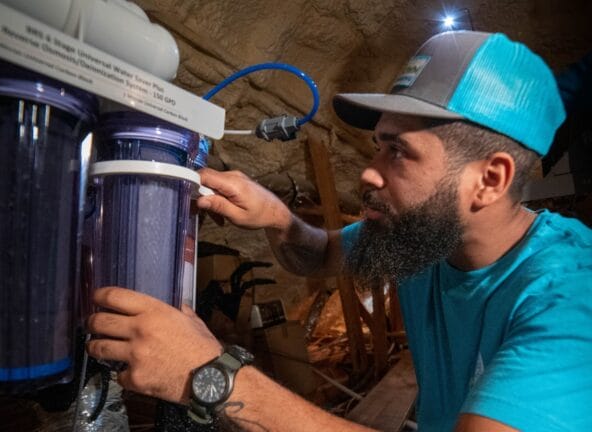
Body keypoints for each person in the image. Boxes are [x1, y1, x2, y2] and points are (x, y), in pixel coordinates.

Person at [86, 30, 592, 431]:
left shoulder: (570, 298)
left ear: (490, 179)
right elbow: (321, 255)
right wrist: (276, 217)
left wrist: (211, 375)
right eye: (377, 145)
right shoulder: (425, 238)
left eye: (399, 151)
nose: (369, 172)